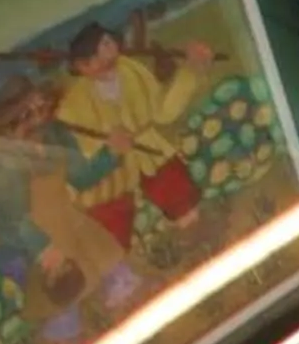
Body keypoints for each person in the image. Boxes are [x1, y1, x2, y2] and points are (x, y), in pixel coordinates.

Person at [53, 22, 213, 250]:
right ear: (83, 66)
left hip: (151, 154)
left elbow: (162, 111)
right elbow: (82, 157)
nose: (108, 52)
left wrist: (190, 70)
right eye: (99, 51)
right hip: (112, 177)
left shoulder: (131, 70)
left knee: (176, 188)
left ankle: (198, 236)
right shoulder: (74, 104)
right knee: (113, 224)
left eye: (108, 42)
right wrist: (110, 150)